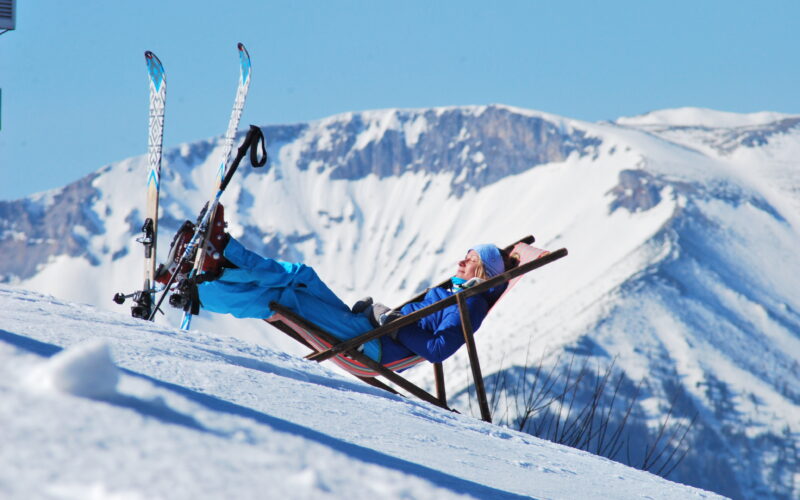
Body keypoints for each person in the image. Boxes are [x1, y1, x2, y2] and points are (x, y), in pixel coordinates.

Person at [163, 205, 517, 365]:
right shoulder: (455, 291)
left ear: (482, 271)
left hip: (373, 347)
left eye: (468, 260)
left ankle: (200, 291)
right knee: (303, 275)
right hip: (367, 328)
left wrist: (392, 325)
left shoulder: (468, 304)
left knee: (286, 301)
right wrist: (385, 319)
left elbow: (438, 350)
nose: (459, 262)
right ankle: (222, 257)